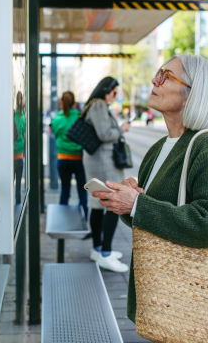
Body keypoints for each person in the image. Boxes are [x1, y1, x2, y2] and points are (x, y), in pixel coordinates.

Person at [91, 54, 208, 326]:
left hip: (187, 302)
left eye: (167, 76)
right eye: (159, 72)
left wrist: (136, 204)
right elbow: (148, 216)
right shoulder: (159, 147)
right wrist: (125, 201)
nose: (155, 80)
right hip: (158, 294)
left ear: (194, 92)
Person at [83, 76, 131, 273]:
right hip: (103, 160)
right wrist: (121, 129)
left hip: (98, 159)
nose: (115, 95)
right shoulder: (99, 106)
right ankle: (106, 254)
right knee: (112, 201)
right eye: (114, 92)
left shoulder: (94, 105)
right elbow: (104, 134)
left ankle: (98, 249)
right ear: (106, 90)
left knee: (97, 204)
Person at [51, 91, 88, 218]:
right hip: (78, 160)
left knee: (64, 192)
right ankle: (84, 220)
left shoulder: (56, 118)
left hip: (62, 159)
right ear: (74, 103)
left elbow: (55, 135)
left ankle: (62, 220)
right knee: (82, 192)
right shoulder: (80, 117)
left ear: (61, 102)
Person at [14, 91, 26, 206]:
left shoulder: (13, 116)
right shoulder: (23, 117)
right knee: (18, 187)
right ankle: (17, 205)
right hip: (20, 156)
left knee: (10, 185)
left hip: (11, 156)